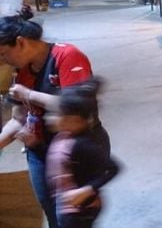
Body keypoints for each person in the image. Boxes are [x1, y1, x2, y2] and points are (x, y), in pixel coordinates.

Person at [0, 11, 95, 227]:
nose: (2, 61)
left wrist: (30, 95)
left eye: (3, 54)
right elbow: (19, 119)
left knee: (73, 217)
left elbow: (80, 107)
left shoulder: (67, 56)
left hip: (75, 153)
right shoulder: (22, 70)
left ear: (21, 42)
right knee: (52, 213)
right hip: (40, 151)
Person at [46, 78, 118, 228]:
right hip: (66, 204)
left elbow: (113, 168)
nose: (49, 117)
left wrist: (86, 190)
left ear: (75, 121)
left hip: (80, 210)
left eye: (56, 114)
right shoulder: (64, 136)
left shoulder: (84, 145)